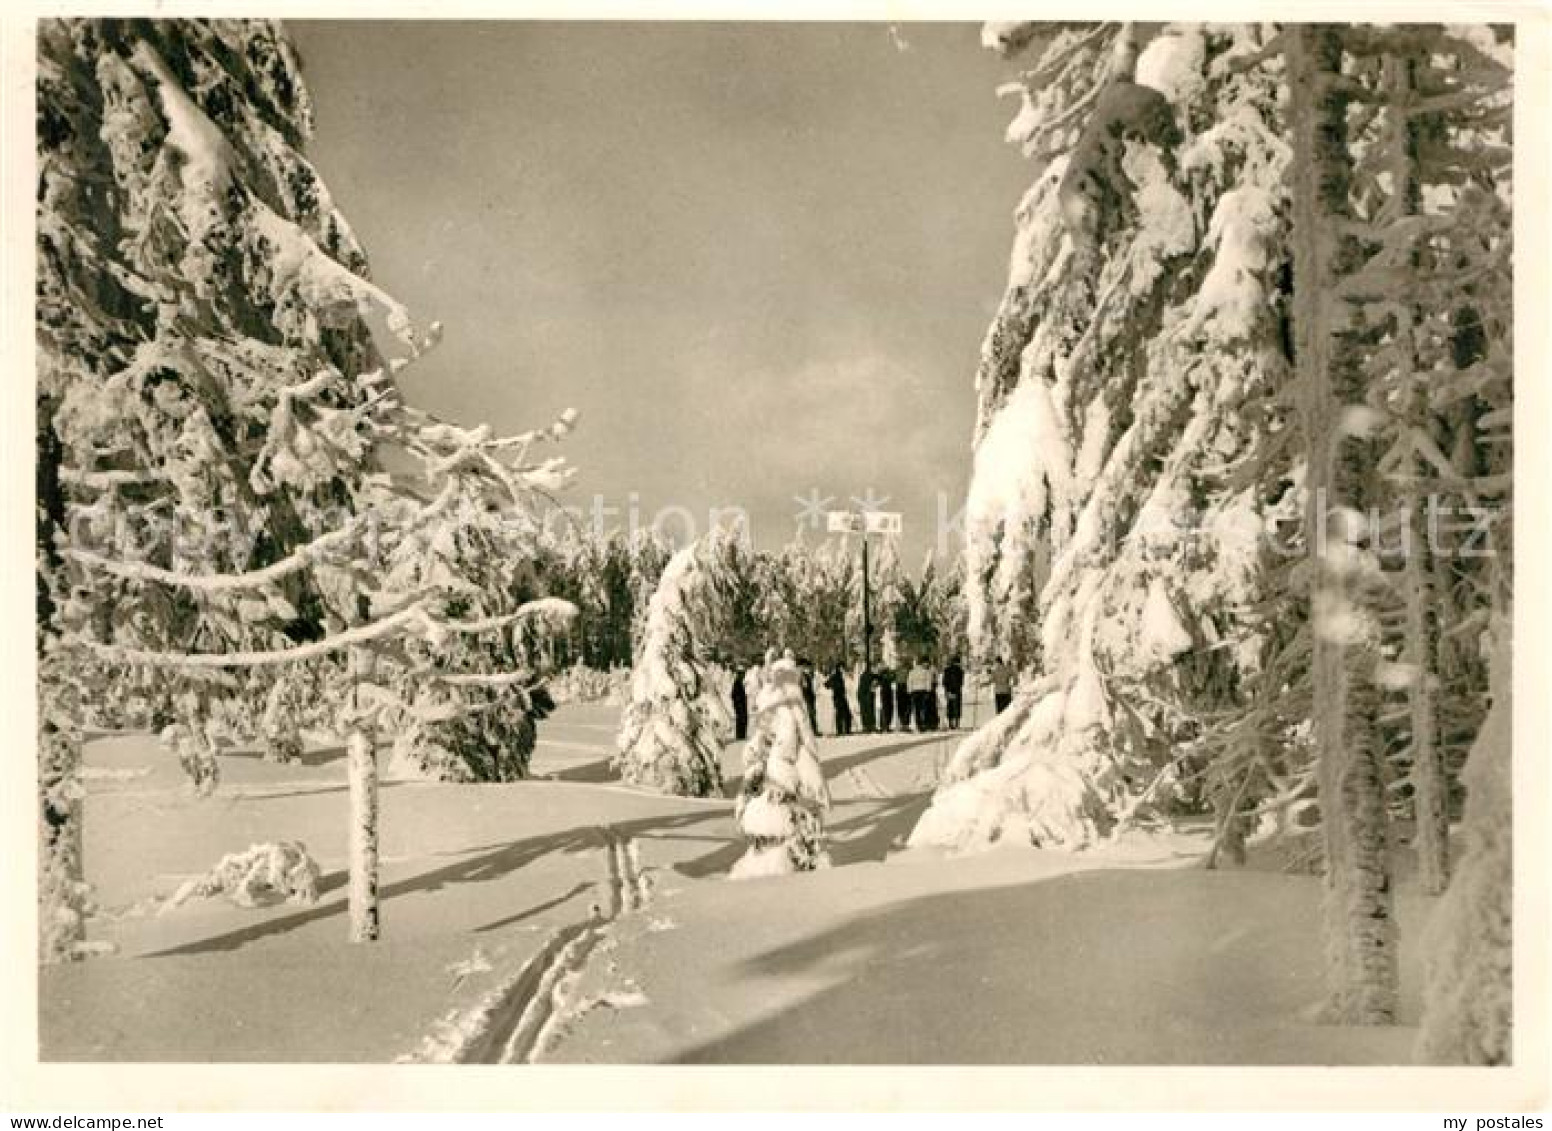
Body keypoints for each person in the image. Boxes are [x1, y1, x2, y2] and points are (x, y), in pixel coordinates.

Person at [825, 661, 853, 736]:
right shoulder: (835, 676)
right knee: (840, 714)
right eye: (842, 668)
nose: (843, 669)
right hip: (837, 697)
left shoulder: (841, 675)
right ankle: (841, 730)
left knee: (846, 714)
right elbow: (826, 685)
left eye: (843, 668)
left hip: (842, 696)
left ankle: (846, 730)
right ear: (839, 668)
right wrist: (834, 686)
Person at [908, 657, 935, 732]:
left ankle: (918, 724)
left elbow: (909, 682)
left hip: (914, 692)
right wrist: (928, 691)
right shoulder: (926, 672)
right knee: (923, 708)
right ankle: (923, 724)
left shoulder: (912, 671)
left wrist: (910, 691)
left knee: (916, 709)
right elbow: (928, 682)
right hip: (923, 691)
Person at [941, 656, 965, 730]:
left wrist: (946, 690)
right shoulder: (960, 670)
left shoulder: (946, 670)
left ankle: (950, 723)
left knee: (950, 706)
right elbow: (961, 682)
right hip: (957, 691)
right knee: (957, 706)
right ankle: (957, 723)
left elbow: (944, 682)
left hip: (949, 691)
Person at [798, 657, 820, 735]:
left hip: (809, 696)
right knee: (809, 713)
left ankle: (813, 730)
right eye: (805, 666)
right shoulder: (801, 674)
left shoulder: (806, 674)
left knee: (811, 713)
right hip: (806, 696)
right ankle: (812, 730)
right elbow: (804, 686)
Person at [856, 664, 877, 734]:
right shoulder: (870, 675)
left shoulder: (864, 675)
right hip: (866, 695)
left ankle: (866, 726)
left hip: (863, 695)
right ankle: (870, 726)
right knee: (868, 711)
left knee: (865, 711)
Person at [875, 663, 895, 732]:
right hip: (885, 692)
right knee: (886, 709)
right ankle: (885, 725)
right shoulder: (881, 676)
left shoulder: (880, 676)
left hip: (885, 692)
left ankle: (885, 725)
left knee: (886, 709)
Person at [731, 665, 748, 741]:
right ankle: (740, 735)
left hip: (741, 704)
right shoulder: (737, 682)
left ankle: (741, 735)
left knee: (742, 719)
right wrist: (738, 703)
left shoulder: (739, 682)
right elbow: (733, 695)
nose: (744, 675)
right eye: (742, 673)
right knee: (741, 719)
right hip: (739, 704)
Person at [894, 668, 912, 733]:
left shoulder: (897, 671)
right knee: (904, 707)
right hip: (902, 688)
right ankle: (904, 724)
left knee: (904, 707)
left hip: (903, 688)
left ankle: (904, 724)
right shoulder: (897, 671)